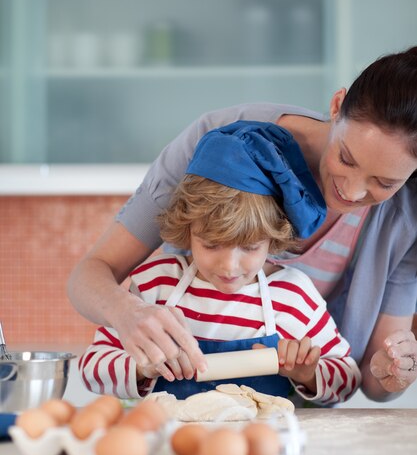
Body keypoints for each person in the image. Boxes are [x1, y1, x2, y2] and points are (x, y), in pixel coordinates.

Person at [68, 46, 417, 402]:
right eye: (346, 157)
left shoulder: (402, 221)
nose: (353, 193)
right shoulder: (219, 145)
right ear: (336, 105)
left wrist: (394, 367)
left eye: (384, 183)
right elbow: (90, 276)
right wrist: (128, 315)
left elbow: (371, 381)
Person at [79, 122, 361, 405]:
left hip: (265, 445)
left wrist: (308, 374)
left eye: (250, 247)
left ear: (273, 237)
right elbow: (92, 368)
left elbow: (347, 377)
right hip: (174, 445)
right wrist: (143, 368)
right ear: (187, 230)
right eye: (211, 244)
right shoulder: (157, 284)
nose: (229, 266)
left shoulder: (294, 296)